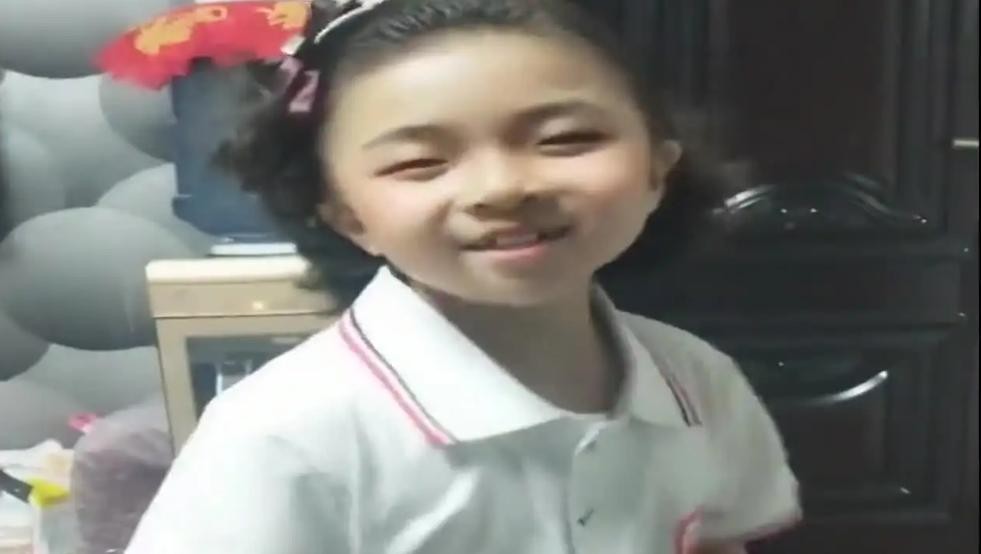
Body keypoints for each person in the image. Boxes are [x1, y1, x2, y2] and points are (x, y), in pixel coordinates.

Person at [126, 1, 800, 553]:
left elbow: (721, 538)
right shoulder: (284, 434)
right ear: (345, 213)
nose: (501, 188)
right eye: (420, 163)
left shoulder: (697, 379)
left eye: (564, 139)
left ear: (657, 169)